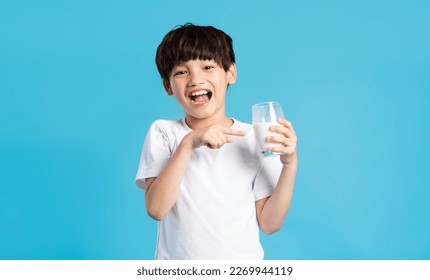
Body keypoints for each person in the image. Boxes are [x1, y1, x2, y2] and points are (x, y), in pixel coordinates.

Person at [135, 23, 298, 260]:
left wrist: (290, 164)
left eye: (208, 67)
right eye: (182, 72)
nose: (195, 79)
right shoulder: (164, 132)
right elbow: (156, 209)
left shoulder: (256, 137)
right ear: (167, 86)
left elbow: (270, 223)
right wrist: (189, 143)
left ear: (230, 73)